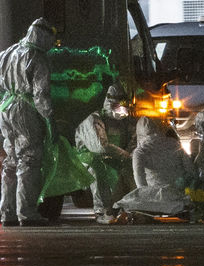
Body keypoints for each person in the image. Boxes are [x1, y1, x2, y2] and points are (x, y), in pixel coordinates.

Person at [0, 17, 56, 227]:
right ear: (44, 36)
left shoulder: (6, 53)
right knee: (29, 160)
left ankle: (7, 213)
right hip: (25, 111)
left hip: (5, 108)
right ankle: (27, 213)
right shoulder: (37, 57)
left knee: (10, 161)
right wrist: (49, 118)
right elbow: (41, 94)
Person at [75, 83, 136, 224]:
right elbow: (99, 147)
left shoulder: (126, 122)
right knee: (98, 169)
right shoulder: (94, 120)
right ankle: (102, 210)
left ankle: (127, 206)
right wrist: (124, 155)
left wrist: (129, 156)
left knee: (129, 170)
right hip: (90, 158)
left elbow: (133, 141)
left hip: (114, 158)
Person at [113, 116, 196, 218]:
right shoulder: (174, 144)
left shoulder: (140, 152)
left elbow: (139, 178)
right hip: (178, 193)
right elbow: (190, 169)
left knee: (125, 202)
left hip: (155, 195)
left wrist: (144, 196)